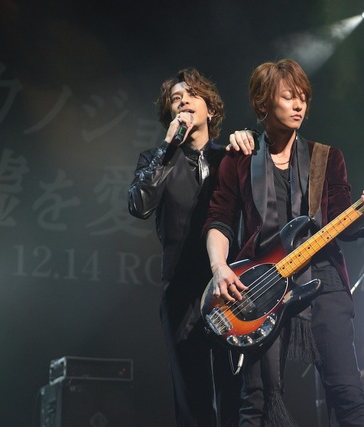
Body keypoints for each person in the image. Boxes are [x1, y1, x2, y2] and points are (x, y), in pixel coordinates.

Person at [204, 59, 364, 426]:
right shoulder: (239, 159)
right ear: (263, 103)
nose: (299, 105)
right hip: (260, 284)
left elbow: (343, 222)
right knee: (257, 399)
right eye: (288, 97)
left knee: (348, 392)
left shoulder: (327, 157)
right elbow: (220, 219)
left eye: (303, 97)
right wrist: (219, 267)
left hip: (323, 279)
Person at [128, 67, 254, 427]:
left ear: (210, 109)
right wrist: (168, 147)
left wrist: (251, 140)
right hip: (182, 292)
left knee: (237, 395)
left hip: (232, 288)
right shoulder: (156, 159)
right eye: (175, 99)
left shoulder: (231, 157)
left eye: (192, 95)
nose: (183, 102)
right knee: (193, 400)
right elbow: (139, 205)